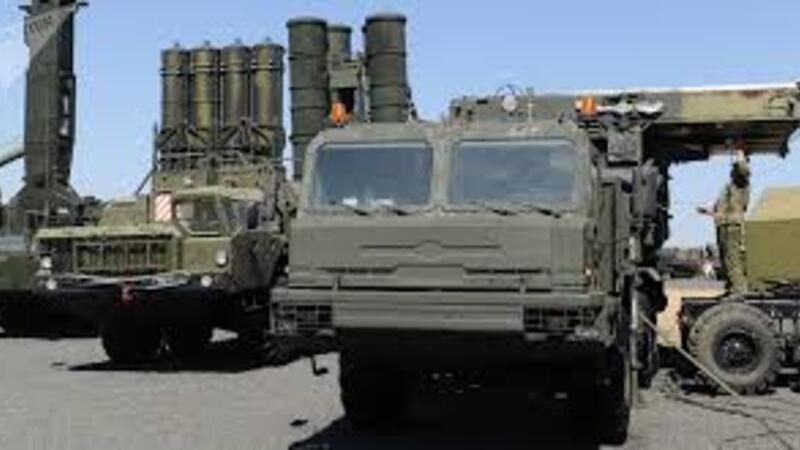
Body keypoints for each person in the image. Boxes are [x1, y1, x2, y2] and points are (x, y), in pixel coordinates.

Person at [697, 151, 751, 296]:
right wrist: (706, 211)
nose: (732, 170)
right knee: (725, 260)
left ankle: (740, 290)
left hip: (732, 226)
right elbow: (719, 210)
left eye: (734, 168)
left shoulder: (740, 184)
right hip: (722, 226)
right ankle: (731, 288)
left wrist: (740, 153)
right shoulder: (728, 187)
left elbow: (743, 170)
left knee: (733, 259)